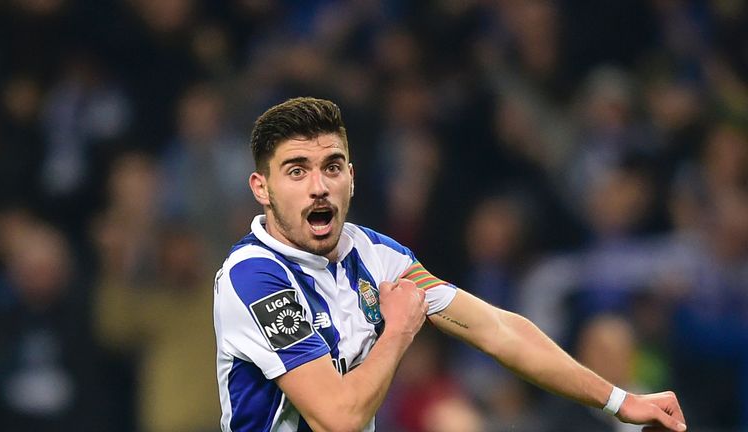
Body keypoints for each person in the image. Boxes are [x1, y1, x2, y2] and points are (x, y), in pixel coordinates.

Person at [212, 97, 687, 432]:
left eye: (332, 167)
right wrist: (398, 330)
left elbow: (496, 329)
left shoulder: (379, 257)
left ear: (351, 178)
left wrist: (620, 401)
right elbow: (337, 419)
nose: (319, 186)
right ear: (261, 188)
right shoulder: (254, 276)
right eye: (297, 171)